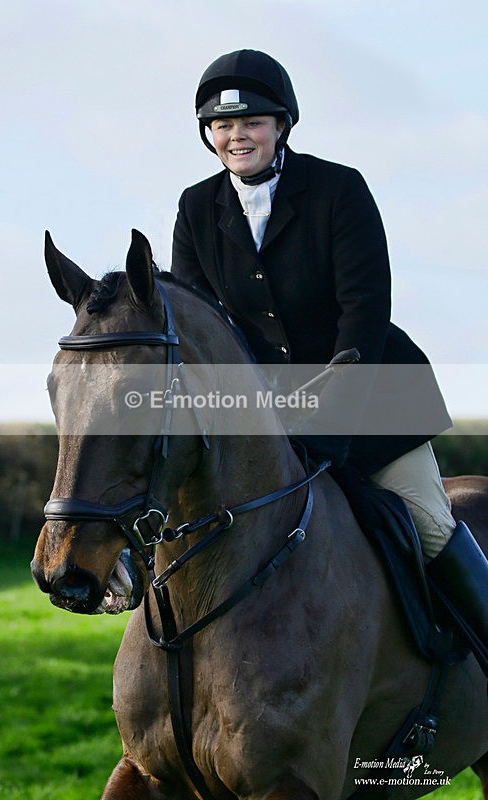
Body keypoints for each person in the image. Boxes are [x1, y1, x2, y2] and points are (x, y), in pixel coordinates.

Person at [171, 49, 487, 670]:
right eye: (222, 125)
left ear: (283, 124)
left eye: (253, 122)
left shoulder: (339, 189)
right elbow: (202, 327)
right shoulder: (194, 207)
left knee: (426, 524)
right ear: (208, 134)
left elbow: (363, 313)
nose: (238, 136)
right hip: (269, 419)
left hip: (373, 406)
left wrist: (328, 424)